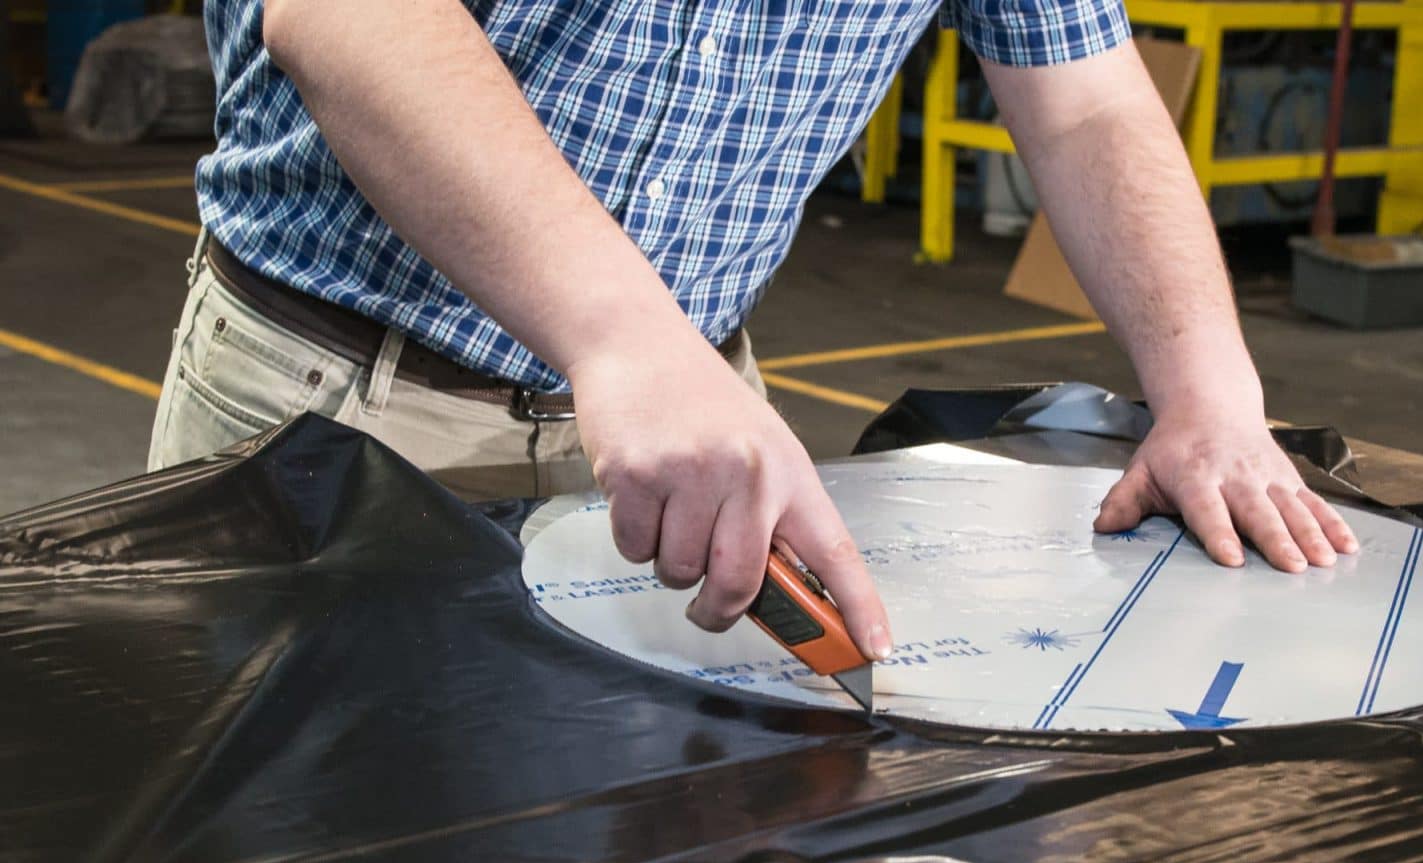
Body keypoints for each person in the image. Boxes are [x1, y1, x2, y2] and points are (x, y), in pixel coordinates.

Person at [148, 0, 1359, 664]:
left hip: (695, 427)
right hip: (340, 394)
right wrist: (626, 339)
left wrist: (1208, 391)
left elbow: (1087, 98)